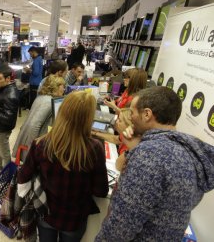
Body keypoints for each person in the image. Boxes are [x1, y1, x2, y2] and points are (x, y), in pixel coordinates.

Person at [96, 86, 214, 241]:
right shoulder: (187, 148)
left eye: (132, 112)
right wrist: (135, 147)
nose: (130, 118)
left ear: (146, 114)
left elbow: (121, 226)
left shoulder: (150, 155)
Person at [18, 91, 109, 242]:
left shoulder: (41, 143)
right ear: (88, 118)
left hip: (47, 212)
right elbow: (101, 191)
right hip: (74, 220)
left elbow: (23, 175)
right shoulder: (95, 148)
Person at [13, 75, 66, 161]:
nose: (64, 89)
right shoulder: (48, 102)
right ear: (55, 86)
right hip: (36, 142)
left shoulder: (42, 97)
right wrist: (32, 150)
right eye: (63, 86)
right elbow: (34, 125)